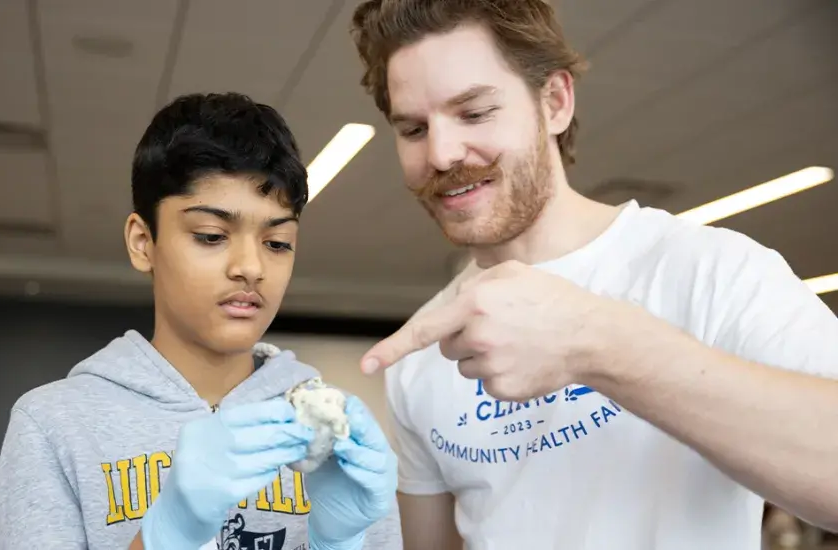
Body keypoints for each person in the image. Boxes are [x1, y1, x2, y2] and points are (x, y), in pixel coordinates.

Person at [347, 1, 838, 548]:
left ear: (554, 102)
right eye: (413, 128)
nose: (439, 153)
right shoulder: (420, 349)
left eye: (475, 112)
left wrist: (593, 342)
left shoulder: (710, 269)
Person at [0, 92, 401, 550]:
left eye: (278, 242)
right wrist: (163, 538)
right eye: (211, 236)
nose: (251, 267)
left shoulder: (337, 433)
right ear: (142, 242)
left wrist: (340, 543)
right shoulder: (55, 424)